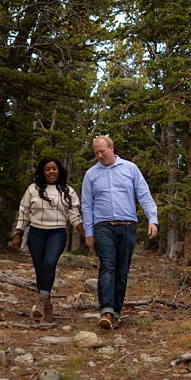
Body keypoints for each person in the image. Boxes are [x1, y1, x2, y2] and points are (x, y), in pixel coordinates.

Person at [81, 135, 158, 330]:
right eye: (96, 153)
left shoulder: (130, 169)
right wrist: (89, 233)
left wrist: (153, 220)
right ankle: (105, 311)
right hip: (103, 226)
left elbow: (144, 194)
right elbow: (86, 205)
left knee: (121, 271)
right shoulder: (91, 175)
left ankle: (116, 312)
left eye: (102, 151)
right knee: (107, 265)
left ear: (111, 148)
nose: (99, 155)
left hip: (127, 226)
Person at [12, 156, 86, 322]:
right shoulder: (33, 189)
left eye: (54, 168)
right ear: (42, 172)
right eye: (47, 169)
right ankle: (47, 304)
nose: (51, 171)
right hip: (36, 233)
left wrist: (86, 236)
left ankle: (41, 300)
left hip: (57, 233)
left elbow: (75, 217)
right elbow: (24, 212)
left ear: (59, 170)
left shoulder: (68, 191)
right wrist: (18, 233)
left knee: (49, 263)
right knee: (40, 269)